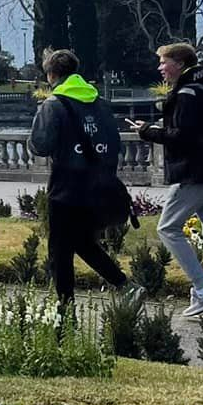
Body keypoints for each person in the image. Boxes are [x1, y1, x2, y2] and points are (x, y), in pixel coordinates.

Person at [128, 41, 203, 317]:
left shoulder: (186, 94)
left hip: (195, 175)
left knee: (167, 228)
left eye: (163, 62)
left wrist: (149, 131)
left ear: (179, 63)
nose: (160, 67)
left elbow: (183, 137)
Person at [28, 48, 131, 305]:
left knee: (60, 252)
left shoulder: (53, 105)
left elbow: (40, 145)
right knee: (83, 242)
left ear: (51, 74)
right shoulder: (100, 103)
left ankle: (65, 315)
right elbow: (115, 144)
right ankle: (125, 286)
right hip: (100, 186)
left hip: (66, 188)